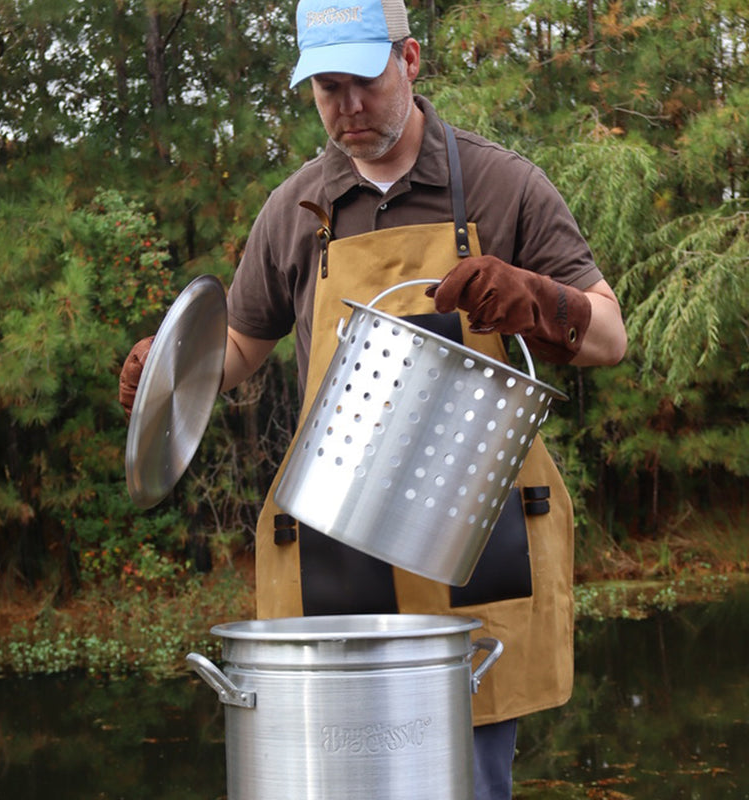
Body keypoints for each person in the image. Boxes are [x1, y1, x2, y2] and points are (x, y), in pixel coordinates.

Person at [120, 0, 627, 797]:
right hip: (336, 555)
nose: (348, 108)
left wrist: (537, 299)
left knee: (470, 783)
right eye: (328, 89)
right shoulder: (294, 211)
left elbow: (609, 335)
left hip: (475, 549)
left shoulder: (502, 185)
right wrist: (170, 371)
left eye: (363, 81)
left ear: (411, 61)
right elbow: (243, 351)